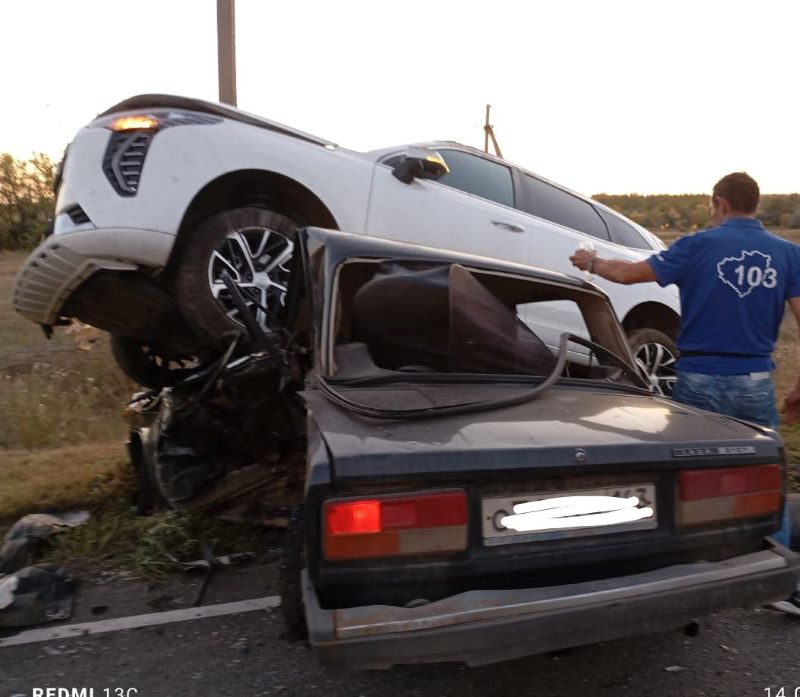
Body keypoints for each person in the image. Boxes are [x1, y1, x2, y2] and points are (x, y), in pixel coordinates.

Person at [570, 172, 800, 614]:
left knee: (688, 472)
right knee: (768, 473)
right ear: (755, 204)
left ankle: (687, 567)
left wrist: (590, 262)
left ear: (719, 203)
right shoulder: (788, 254)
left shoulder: (696, 246)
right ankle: (782, 584)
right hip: (754, 379)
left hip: (698, 377)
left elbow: (627, 273)